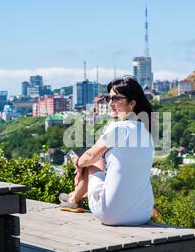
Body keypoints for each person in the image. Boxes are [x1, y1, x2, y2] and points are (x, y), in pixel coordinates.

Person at [59, 76, 155, 226]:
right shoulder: (147, 132)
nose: (111, 103)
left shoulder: (118, 127)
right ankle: (73, 197)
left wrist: (79, 166)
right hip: (143, 214)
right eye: (108, 98)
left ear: (132, 104)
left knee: (93, 159)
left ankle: (74, 200)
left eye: (117, 99)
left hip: (110, 214)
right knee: (96, 157)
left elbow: (89, 157)